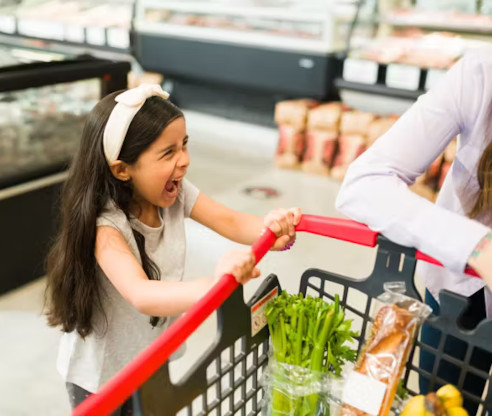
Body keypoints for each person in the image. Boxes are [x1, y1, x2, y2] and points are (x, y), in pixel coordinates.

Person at [44, 84, 301, 413]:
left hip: (149, 358)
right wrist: (216, 284)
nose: (184, 161)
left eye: (184, 145)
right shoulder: (106, 227)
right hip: (101, 378)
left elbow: (231, 220)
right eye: (168, 153)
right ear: (122, 169)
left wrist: (272, 230)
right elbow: (142, 294)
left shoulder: (175, 195)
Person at [336, 43, 492, 414]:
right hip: (458, 288)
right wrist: (484, 248)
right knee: (441, 398)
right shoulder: (486, 75)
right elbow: (363, 184)